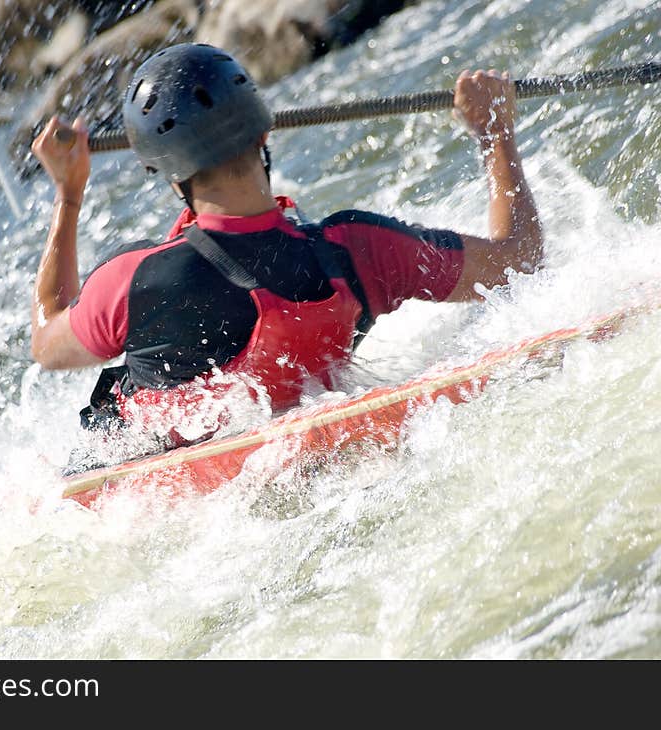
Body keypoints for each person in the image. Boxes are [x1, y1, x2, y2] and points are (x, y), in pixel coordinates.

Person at [28, 43, 542, 453]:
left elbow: (48, 344)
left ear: (163, 171)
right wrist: (496, 132)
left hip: (150, 486)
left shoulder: (136, 278)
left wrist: (68, 195)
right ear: (264, 134)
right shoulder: (360, 248)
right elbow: (519, 258)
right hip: (320, 456)